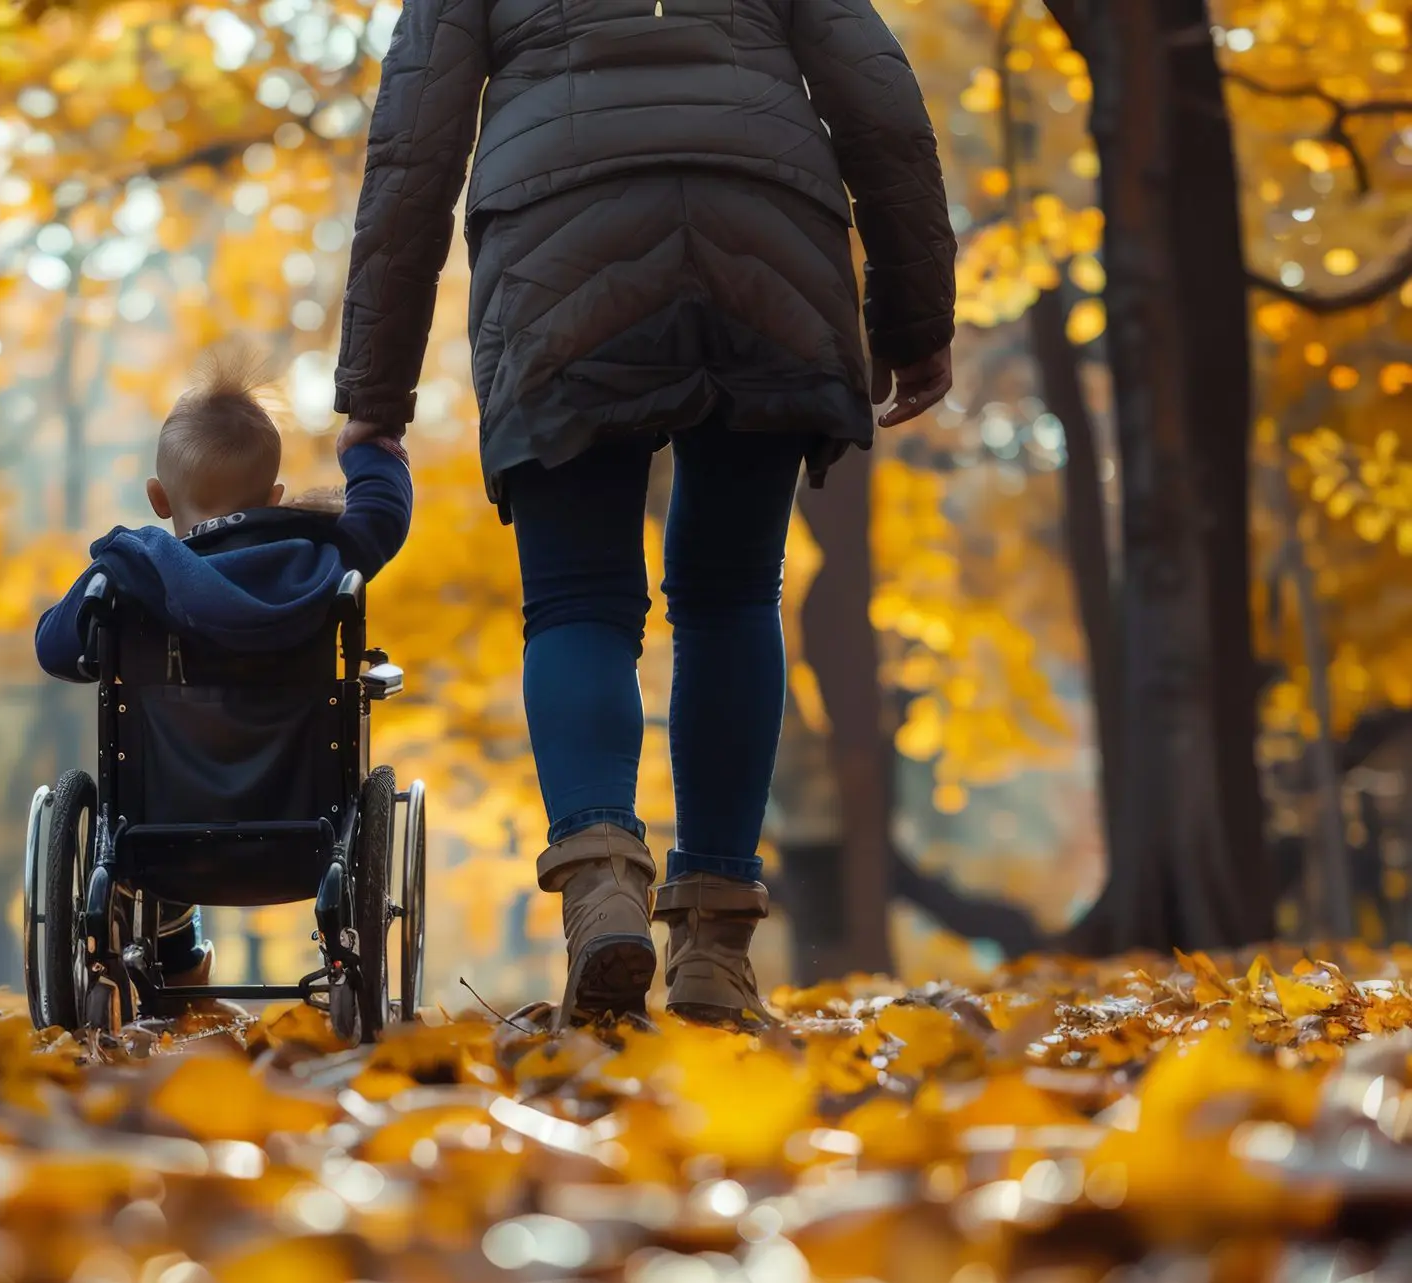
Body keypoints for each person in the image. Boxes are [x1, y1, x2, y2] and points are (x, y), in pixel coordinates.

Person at [332, 0, 957, 1027]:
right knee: (727, 596)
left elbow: (412, 153)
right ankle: (713, 948)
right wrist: (913, 314)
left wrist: (374, 394)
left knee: (577, 601)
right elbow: (878, 106)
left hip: (555, 251)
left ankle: (601, 881)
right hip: (766, 230)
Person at [35, 351, 415, 989]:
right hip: (305, 830)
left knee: (155, 780)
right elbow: (383, 513)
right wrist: (371, 445)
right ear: (273, 496)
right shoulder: (325, 559)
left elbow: (54, 648)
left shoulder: (130, 575)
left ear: (159, 498)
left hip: (164, 834)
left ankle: (179, 963)